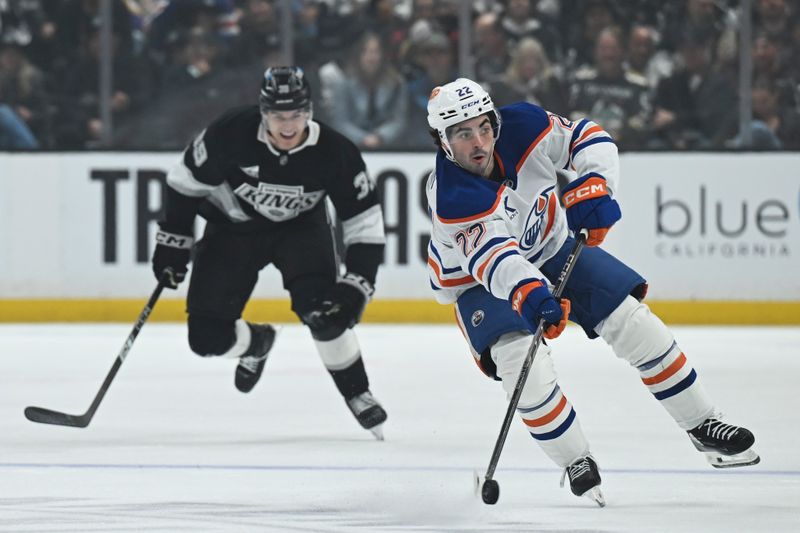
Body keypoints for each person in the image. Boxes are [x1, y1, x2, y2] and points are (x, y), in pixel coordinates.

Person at [424, 78, 759, 505]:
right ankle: (575, 459)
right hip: (480, 282)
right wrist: (531, 294)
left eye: (484, 127)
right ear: (443, 141)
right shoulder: (452, 195)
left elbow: (587, 137)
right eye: (463, 134)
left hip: (550, 246)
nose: (479, 142)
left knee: (633, 321)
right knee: (522, 365)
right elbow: (496, 261)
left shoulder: (524, 124)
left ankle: (703, 424)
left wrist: (596, 182)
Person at [150, 66, 388, 439]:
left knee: (327, 313)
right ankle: (257, 343)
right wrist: (173, 241)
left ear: (310, 112)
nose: (288, 126)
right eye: (278, 116)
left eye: (296, 114)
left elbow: (365, 223)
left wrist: (358, 283)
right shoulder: (231, 132)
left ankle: (358, 392)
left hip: (301, 232)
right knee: (206, 339)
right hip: (232, 229)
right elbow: (184, 182)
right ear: (263, 113)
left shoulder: (335, 152)